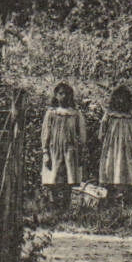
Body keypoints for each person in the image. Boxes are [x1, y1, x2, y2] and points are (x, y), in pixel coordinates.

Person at [99, 85, 132, 203]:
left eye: (124, 98)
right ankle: (111, 199)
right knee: (112, 170)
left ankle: (128, 199)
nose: (121, 101)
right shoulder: (109, 115)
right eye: (118, 98)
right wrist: (105, 142)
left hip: (129, 149)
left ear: (129, 101)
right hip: (113, 149)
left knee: (129, 171)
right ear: (114, 99)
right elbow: (102, 133)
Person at [41, 82, 86, 210]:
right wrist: (45, 152)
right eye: (61, 93)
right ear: (56, 95)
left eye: (67, 94)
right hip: (53, 149)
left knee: (68, 179)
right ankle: (53, 206)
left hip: (70, 150)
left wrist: (81, 150)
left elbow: (82, 134)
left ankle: (66, 206)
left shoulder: (75, 114)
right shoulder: (51, 113)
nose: (64, 96)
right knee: (53, 178)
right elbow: (46, 133)